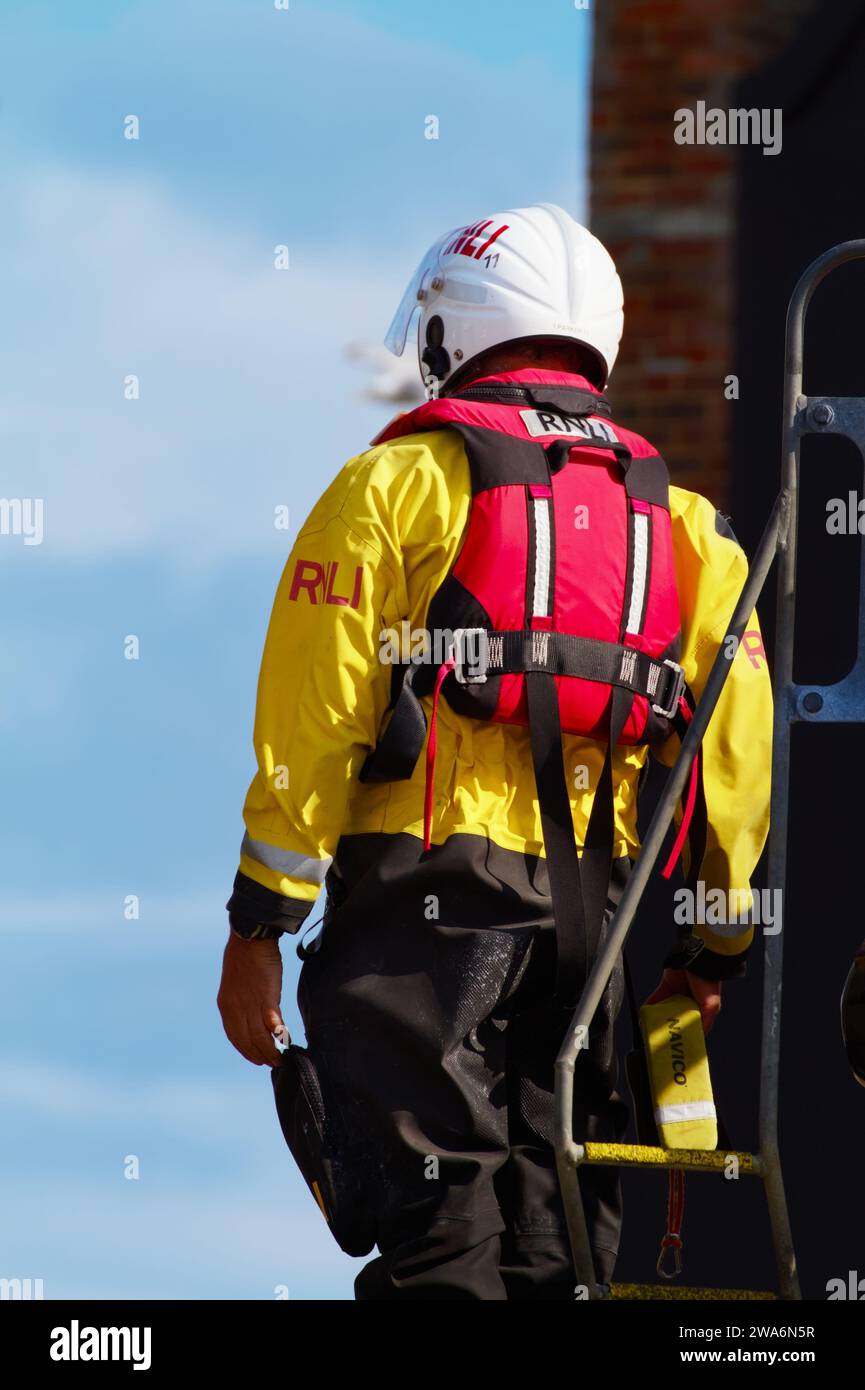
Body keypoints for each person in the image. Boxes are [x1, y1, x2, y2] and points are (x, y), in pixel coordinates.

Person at [217, 203, 772, 1300]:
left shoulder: (393, 487)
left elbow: (312, 718)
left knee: (436, 1225)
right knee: (562, 1226)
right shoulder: (692, 531)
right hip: (599, 927)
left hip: (422, 908)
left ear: (450, 331)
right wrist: (711, 951)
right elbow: (739, 763)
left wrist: (259, 919)